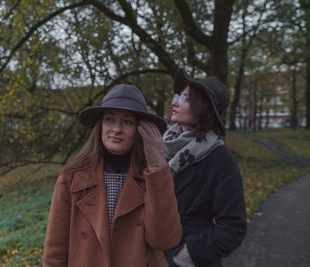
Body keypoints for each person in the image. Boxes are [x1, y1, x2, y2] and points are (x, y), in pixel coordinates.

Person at [43, 84, 182, 267]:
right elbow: (54, 254)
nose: (116, 129)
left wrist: (157, 166)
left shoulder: (154, 178)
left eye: (128, 122)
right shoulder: (71, 179)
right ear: (100, 125)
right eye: (110, 119)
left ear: (140, 130)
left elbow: (165, 240)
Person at [164, 69, 247, 267]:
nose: (174, 103)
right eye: (177, 96)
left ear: (203, 107)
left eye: (185, 98)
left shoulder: (219, 158)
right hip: (153, 253)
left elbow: (233, 227)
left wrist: (187, 255)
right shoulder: (161, 146)